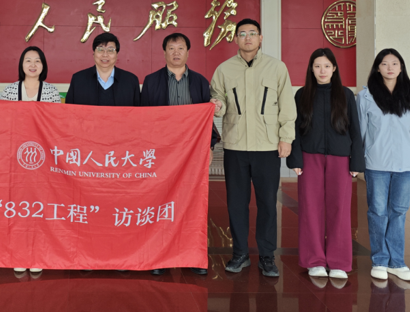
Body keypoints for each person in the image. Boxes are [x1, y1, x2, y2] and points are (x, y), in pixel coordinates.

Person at [210, 18, 296, 277]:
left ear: (260, 38)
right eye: (242, 33)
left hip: (267, 146)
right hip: (235, 146)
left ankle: (267, 256)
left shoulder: (277, 67)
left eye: (252, 33)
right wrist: (217, 105)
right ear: (236, 38)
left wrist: (286, 138)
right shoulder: (224, 69)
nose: (247, 38)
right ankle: (240, 253)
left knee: (267, 203)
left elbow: (286, 105)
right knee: (236, 203)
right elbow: (218, 99)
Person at [141, 32, 219, 276]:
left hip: (192, 155)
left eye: (181, 48)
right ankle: (160, 257)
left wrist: (209, 147)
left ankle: (192, 256)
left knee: (192, 204)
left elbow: (207, 119)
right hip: (161, 155)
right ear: (164, 52)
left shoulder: (200, 81)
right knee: (160, 203)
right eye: (171, 48)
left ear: (188, 52)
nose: (176, 52)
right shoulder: (151, 81)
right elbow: (143, 120)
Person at [287, 48, 364, 280]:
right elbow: (295, 129)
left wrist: (356, 161)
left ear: (334, 68)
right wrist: (295, 158)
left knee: (340, 209)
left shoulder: (346, 95)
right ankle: (315, 261)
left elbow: (355, 129)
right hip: (309, 157)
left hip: (340, 158)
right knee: (310, 209)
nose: (322, 70)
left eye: (327, 66)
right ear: (311, 69)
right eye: (318, 66)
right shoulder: (302, 95)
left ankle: (339, 262)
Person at [358, 48, 410, 282]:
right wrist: (360, 159)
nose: (390, 68)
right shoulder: (366, 97)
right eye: (385, 63)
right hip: (377, 163)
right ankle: (380, 260)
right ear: (377, 68)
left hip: (405, 163)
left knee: (399, 211)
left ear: (401, 67)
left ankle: (397, 262)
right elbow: (361, 131)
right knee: (378, 211)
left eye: (395, 63)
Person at [1, 46, 61, 275]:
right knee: (18, 208)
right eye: (28, 60)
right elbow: (1, 124)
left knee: (41, 207)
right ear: (21, 64)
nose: (33, 65)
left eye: (37, 60)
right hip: (15, 160)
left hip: (43, 161)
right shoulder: (9, 91)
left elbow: (56, 126)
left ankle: (38, 254)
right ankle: (19, 253)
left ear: (43, 65)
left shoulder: (51, 92)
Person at [65, 32, 140, 106]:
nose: (105, 54)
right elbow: (68, 111)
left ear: (117, 55)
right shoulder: (78, 80)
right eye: (100, 50)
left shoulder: (131, 81)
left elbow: (138, 112)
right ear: (93, 54)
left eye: (110, 50)